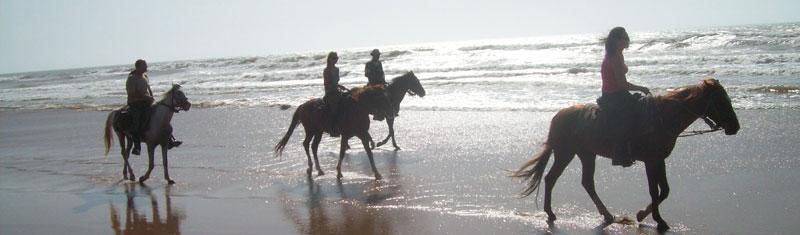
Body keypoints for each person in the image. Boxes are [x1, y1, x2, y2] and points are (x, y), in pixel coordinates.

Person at [597, 27, 650, 167]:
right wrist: (641, 88)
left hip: (619, 94)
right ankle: (621, 154)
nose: (627, 40)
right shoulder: (614, 57)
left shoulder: (618, 54)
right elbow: (622, 84)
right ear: (616, 40)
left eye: (627, 37)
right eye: (624, 38)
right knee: (626, 118)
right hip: (613, 96)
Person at [125, 59, 182, 155]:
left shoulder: (145, 76)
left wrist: (151, 97)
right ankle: (137, 147)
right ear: (138, 67)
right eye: (144, 66)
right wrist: (146, 97)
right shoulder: (132, 78)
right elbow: (132, 93)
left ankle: (170, 140)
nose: (146, 67)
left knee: (160, 117)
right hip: (136, 104)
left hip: (146, 102)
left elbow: (148, 89)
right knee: (137, 121)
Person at [323, 52, 346, 137]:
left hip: (337, 91)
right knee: (334, 109)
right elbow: (327, 84)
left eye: (336, 58)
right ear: (329, 59)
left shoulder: (337, 69)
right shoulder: (327, 70)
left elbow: (336, 82)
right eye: (334, 58)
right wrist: (335, 87)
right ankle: (333, 128)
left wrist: (340, 86)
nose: (336, 60)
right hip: (330, 92)